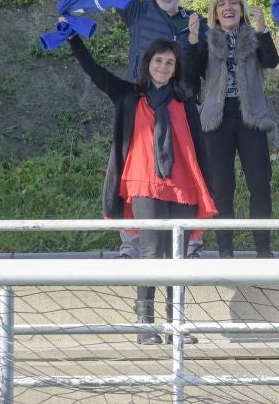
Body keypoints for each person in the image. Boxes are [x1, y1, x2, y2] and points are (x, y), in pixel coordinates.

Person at [67, 33, 216, 344]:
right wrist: (73, 39)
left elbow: (198, 146)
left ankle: (176, 324)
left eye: (169, 62)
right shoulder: (129, 95)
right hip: (144, 182)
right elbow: (95, 72)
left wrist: (207, 185)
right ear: (148, 63)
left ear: (176, 69)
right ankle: (145, 323)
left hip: (182, 184)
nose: (163, 66)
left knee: (177, 257)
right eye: (158, 60)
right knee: (150, 253)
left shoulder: (184, 100)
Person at [102, 0, 209, 259]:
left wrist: (194, 41)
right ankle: (131, 244)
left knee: (185, 169)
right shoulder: (138, 11)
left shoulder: (194, 21)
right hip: (139, 107)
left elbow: (198, 71)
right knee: (128, 170)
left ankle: (189, 240)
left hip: (178, 109)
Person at [187, 0, 279, 259]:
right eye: (221, 4)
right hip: (217, 118)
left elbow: (272, 61)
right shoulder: (207, 38)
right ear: (214, 12)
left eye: (234, 3)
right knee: (221, 187)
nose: (228, 8)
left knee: (260, 183)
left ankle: (263, 249)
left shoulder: (252, 36)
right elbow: (192, 72)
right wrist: (192, 39)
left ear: (241, 8)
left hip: (251, 115)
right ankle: (225, 250)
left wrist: (263, 31)